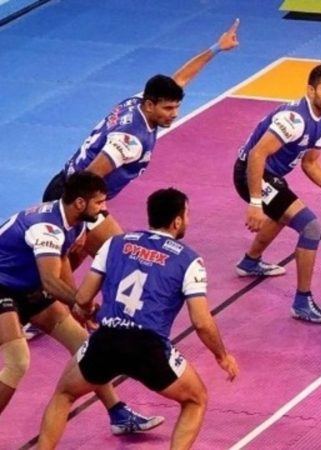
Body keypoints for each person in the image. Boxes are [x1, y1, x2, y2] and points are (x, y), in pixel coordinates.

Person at [38, 188, 239, 449]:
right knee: (195, 399)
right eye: (187, 215)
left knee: (65, 393)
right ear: (177, 221)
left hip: (107, 339)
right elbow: (201, 321)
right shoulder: (189, 260)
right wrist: (222, 356)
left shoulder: (115, 243)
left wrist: (93, 313)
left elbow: (83, 298)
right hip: (148, 346)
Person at [41, 19, 240, 267]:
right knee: (120, 260)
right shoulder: (130, 141)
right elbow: (89, 177)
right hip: (72, 199)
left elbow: (180, 78)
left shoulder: (139, 101)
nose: (174, 114)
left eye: (176, 107)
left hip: (74, 193)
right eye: (168, 109)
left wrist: (217, 48)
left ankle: (53, 289)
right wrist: (78, 222)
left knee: (75, 258)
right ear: (150, 105)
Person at [0, 171, 163, 434]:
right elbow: (50, 281)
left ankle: (118, 414)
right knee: (18, 361)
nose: (104, 208)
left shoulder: (74, 221)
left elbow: (61, 260)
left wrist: (77, 307)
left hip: (27, 287)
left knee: (86, 346)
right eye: (99, 202)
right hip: (4, 287)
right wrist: (81, 303)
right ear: (79, 202)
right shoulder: (47, 228)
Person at [233, 63, 321, 324]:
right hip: (251, 174)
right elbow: (257, 155)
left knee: (283, 213)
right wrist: (255, 202)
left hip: (271, 177)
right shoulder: (294, 120)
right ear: (310, 90)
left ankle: (250, 262)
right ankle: (303, 303)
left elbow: (310, 163)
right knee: (310, 227)